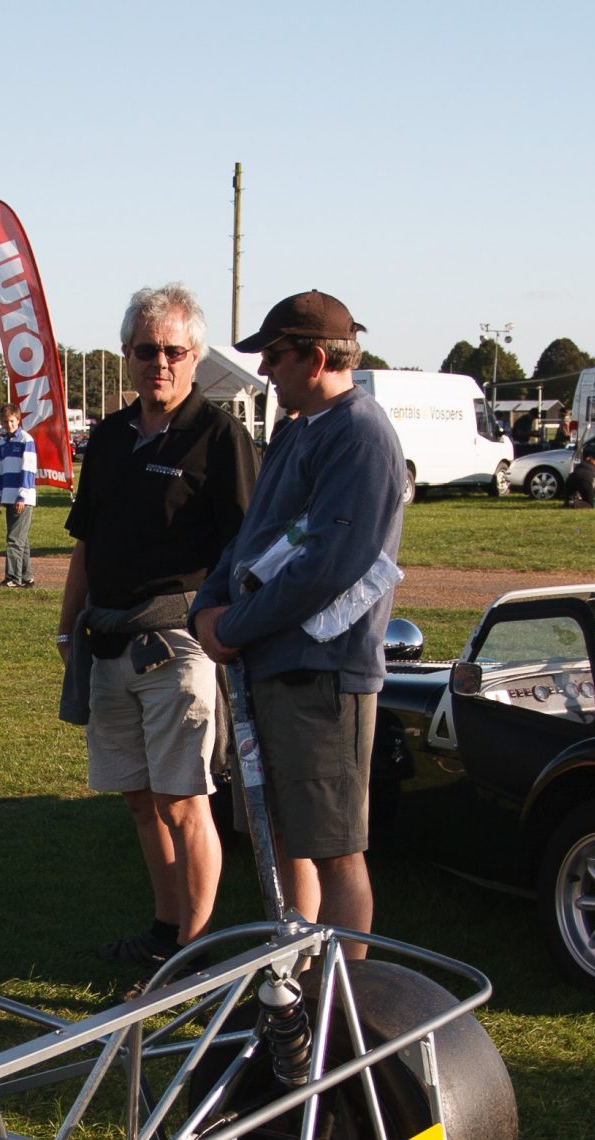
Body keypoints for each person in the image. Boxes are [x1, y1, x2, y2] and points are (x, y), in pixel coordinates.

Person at [191, 290, 403, 949]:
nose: (267, 372)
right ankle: (298, 976)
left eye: (275, 357)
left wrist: (235, 625)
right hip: (270, 667)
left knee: (334, 845)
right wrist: (207, 606)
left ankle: (346, 1005)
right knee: (284, 833)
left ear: (315, 358)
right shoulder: (296, 429)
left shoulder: (361, 434)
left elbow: (331, 563)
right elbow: (254, 535)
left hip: (323, 674)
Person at [59, 282, 257, 969]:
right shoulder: (111, 437)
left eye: (174, 350)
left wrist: (221, 627)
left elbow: (248, 550)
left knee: (184, 802)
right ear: (127, 355)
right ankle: (166, 929)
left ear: (196, 356)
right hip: (107, 643)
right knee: (141, 800)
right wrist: (66, 635)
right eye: (148, 350)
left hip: (178, 646)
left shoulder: (221, 436)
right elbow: (85, 541)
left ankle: (195, 954)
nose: (160, 363)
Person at [0, 403, 40, 587]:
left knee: (14, 540)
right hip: (8, 496)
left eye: (11, 421)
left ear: (18, 420)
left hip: (22, 498)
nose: (8, 424)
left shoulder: (26, 440)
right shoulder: (2, 443)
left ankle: (13, 578)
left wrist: (22, 496)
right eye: (5, 421)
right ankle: (27, 577)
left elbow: (28, 470)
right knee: (21, 540)